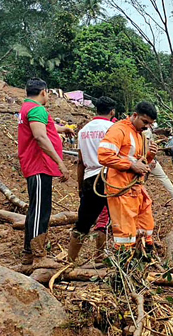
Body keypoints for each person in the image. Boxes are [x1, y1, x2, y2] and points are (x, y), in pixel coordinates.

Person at [18, 78, 73, 267]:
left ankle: (29, 254)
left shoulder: (27, 108)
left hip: (35, 166)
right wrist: (60, 163)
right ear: (44, 92)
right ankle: (38, 256)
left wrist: (62, 128)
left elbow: (44, 128)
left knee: (36, 209)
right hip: (39, 165)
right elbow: (40, 136)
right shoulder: (37, 109)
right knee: (41, 210)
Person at [98, 101, 158, 250]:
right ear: (135, 115)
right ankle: (125, 265)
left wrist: (149, 155)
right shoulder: (119, 130)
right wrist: (131, 166)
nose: (146, 126)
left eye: (150, 124)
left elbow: (140, 161)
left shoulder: (139, 134)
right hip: (121, 188)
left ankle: (144, 257)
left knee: (145, 225)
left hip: (136, 189)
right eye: (145, 122)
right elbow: (104, 156)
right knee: (125, 233)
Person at [68, 96, 116, 263]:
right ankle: (108, 259)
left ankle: (70, 261)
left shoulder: (83, 131)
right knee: (117, 221)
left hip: (90, 179)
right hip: (111, 178)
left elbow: (80, 161)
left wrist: (80, 185)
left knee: (83, 223)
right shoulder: (113, 128)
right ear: (112, 111)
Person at [144, 128, 173, 199]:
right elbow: (146, 145)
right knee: (162, 177)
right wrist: (150, 159)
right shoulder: (146, 131)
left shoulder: (140, 129)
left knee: (141, 181)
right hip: (148, 160)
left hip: (144, 159)